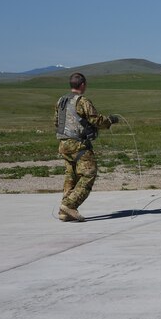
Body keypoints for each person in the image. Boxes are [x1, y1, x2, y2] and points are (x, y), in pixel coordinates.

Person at [54, 72, 118, 222]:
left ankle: (64, 211)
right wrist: (110, 120)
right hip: (78, 144)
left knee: (71, 176)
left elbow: (56, 122)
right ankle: (69, 204)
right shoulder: (82, 101)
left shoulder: (60, 101)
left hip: (64, 143)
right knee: (89, 173)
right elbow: (96, 120)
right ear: (82, 85)